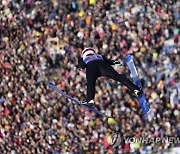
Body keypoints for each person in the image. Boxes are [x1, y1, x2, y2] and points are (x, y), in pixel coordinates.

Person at [78, 47, 143, 106]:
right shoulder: (99, 55)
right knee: (119, 77)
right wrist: (117, 62)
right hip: (103, 66)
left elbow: (82, 65)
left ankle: (90, 100)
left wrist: (81, 67)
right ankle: (135, 89)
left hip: (91, 67)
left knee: (90, 83)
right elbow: (110, 61)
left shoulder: (83, 58)